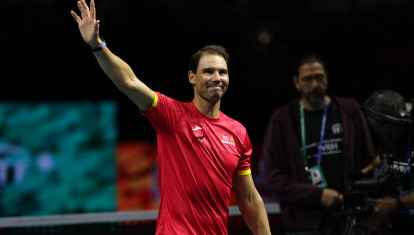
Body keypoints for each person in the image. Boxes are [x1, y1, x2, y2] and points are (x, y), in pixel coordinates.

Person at [70, 0, 271, 234]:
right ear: (192, 78)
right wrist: (97, 45)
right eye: (208, 71)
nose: (217, 77)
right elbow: (129, 81)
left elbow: (249, 198)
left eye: (222, 72)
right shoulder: (172, 115)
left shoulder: (238, 133)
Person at [262, 53, 376, 234]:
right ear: (296, 83)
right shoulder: (282, 121)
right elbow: (272, 178)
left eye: (319, 78)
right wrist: (316, 195)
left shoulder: (350, 111)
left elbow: (370, 162)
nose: (314, 85)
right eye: (307, 79)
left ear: (327, 79)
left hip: (350, 219)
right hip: (304, 224)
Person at [359, 89, 414, 234]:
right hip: (404, 219)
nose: (386, 137)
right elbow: (387, 153)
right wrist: (368, 169)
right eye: (381, 133)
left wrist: (394, 204)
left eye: (389, 132)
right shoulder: (389, 130)